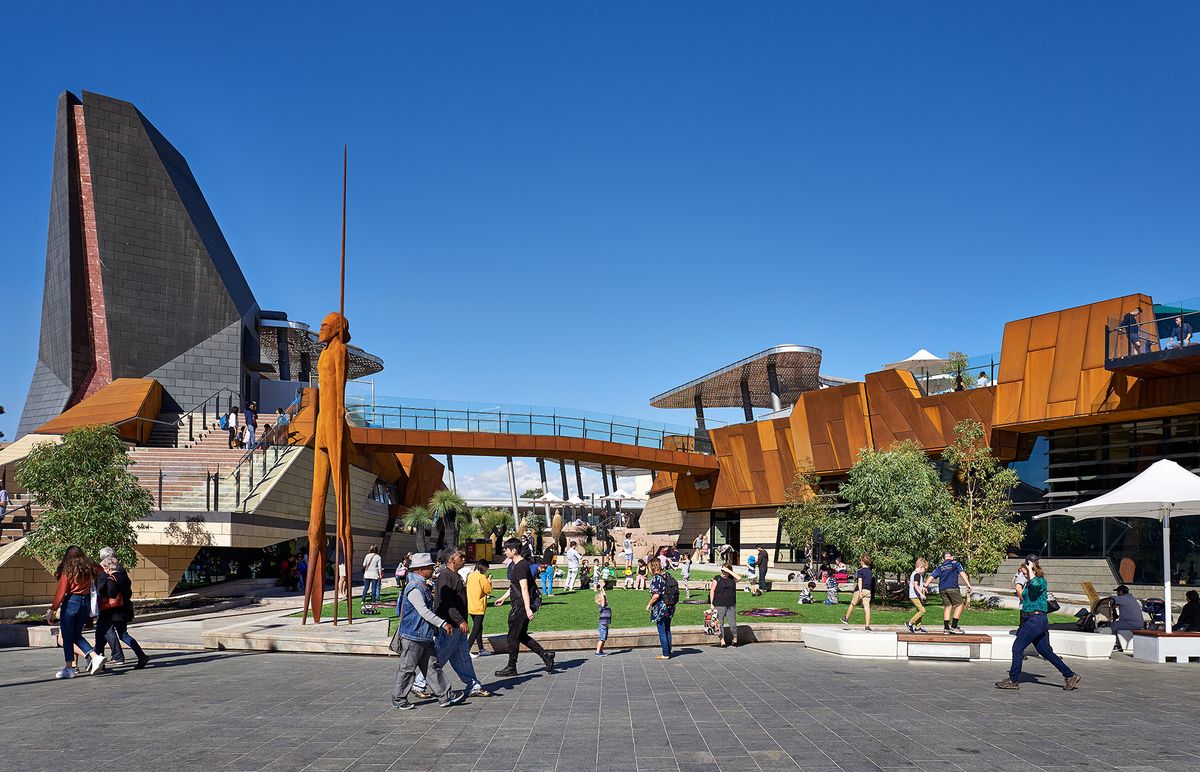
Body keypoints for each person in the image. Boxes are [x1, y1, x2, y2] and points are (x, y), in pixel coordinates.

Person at [391, 553, 466, 710]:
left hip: (424, 636)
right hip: (413, 636)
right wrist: (443, 623)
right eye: (429, 567)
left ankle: (444, 696)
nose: (433, 569)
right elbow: (423, 611)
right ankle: (399, 699)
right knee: (407, 669)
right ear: (420, 570)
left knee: (433, 667)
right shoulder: (414, 588)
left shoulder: (423, 585)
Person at [995, 557, 1081, 691]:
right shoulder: (1031, 583)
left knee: (1017, 647)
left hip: (1035, 619)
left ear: (1033, 570)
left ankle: (1013, 680)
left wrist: (1029, 569)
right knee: (1045, 651)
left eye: (1025, 573)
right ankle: (1070, 675)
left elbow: (1034, 583)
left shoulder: (1040, 581)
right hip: (1037, 620)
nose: (1023, 576)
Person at [431, 548, 491, 698]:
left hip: (458, 626)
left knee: (463, 657)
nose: (464, 559)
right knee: (441, 656)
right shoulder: (445, 577)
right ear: (452, 560)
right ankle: (419, 684)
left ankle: (473, 685)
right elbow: (448, 603)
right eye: (460, 557)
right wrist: (460, 621)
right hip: (449, 626)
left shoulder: (455, 575)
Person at [493, 538, 554, 677]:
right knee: (521, 635)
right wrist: (503, 598)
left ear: (513, 550)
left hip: (520, 607)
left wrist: (527, 609)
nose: (505, 551)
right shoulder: (519, 565)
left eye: (506, 549)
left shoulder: (520, 566)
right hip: (519, 605)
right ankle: (545, 656)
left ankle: (511, 667)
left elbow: (525, 588)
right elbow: (515, 587)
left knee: (512, 637)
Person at [47, 546, 105, 678]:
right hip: (85, 602)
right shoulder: (89, 567)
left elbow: (61, 592)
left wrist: (52, 609)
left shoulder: (67, 570)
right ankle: (94, 656)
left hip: (71, 601)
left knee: (67, 637)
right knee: (76, 635)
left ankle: (69, 668)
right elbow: (102, 570)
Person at [94, 553, 149, 669]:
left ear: (108, 567)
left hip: (111, 612)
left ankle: (98, 661)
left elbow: (110, 593)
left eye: (103, 568)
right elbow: (128, 593)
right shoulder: (123, 577)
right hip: (123, 610)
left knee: (100, 634)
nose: (102, 570)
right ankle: (141, 655)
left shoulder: (111, 579)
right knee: (123, 635)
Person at [926, 552, 973, 635]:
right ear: (951, 557)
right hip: (952, 588)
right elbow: (962, 573)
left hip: (942, 589)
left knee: (948, 607)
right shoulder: (955, 563)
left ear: (944, 558)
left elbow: (931, 576)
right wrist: (968, 584)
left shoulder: (940, 566)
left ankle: (946, 628)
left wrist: (925, 585)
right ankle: (954, 626)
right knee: (959, 605)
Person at [646, 558, 676, 660]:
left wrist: (649, 604)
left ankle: (665, 653)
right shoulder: (667, 575)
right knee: (667, 629)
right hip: (670, 606)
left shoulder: (656, 578)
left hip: (661, 607)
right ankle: (668, 651)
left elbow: (656, 595)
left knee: (662, 630)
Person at [466, 559, 492, 657]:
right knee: (476, 629)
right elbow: (488, 590)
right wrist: (489, 580)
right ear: (483, 567)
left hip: (471, 605)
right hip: (479, 606)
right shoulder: (482, 577)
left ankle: (481, 649)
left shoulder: (470, 575)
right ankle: (466, 650)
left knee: (479, 627)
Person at [709, 563, 739, 648]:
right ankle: (722, 640)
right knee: (719, 623)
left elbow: (739, 578)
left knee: (732, 623)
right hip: (719, 604)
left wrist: (729, 571)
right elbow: (712, 591)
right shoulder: (717, 578)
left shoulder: (732, 578)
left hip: (731, 604)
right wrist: (711, 603)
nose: (723, 572)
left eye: (725, 570)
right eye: (722, 570)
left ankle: (735, 638)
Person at [840, 554, 874, 631]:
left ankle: (846, 618)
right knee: (867, 607)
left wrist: (860, 592)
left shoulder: (860, 571)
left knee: (853, 603)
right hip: (868, 590)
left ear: (862, 562)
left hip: (860, 590)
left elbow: (860, 582)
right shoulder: (870, 571)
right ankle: (867, 626)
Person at [906, 557, 929, 633]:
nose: (925, 571)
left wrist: (923, 589)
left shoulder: (915, 573)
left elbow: (917, 585)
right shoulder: (917, 575)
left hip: (916, 595)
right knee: (922, 610)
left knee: (920, 610)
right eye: (925, 569)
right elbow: (915, 585)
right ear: (921, 567)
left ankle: (918, 627)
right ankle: (910, 623)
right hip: (914, 595)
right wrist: (921, 594)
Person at [595, 586, 611, 656]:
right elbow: (603, 599)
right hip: (603, 625)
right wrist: (601, 592)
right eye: (604, 600)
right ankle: (597, 652)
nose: (606, 600)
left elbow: (604, 597)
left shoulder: (606, 606)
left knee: (604, 639)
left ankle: (601, 651)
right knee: (602, 639)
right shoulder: (602, 606)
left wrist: (603, 590)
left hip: (605, 625)